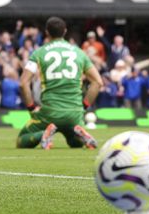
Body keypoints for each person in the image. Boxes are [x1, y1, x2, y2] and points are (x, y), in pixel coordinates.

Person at [16, 17, 103, 150]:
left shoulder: (39, 53)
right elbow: (97, 82)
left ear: (47, 32)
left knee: (22, 139)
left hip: (50, 112)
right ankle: (79, 134)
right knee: (75, 143)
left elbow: (23, 83)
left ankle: (42, 134)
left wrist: (32, 108)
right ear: (65, 31)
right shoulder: (80, 53)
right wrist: (83, 107)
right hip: (74, 113)